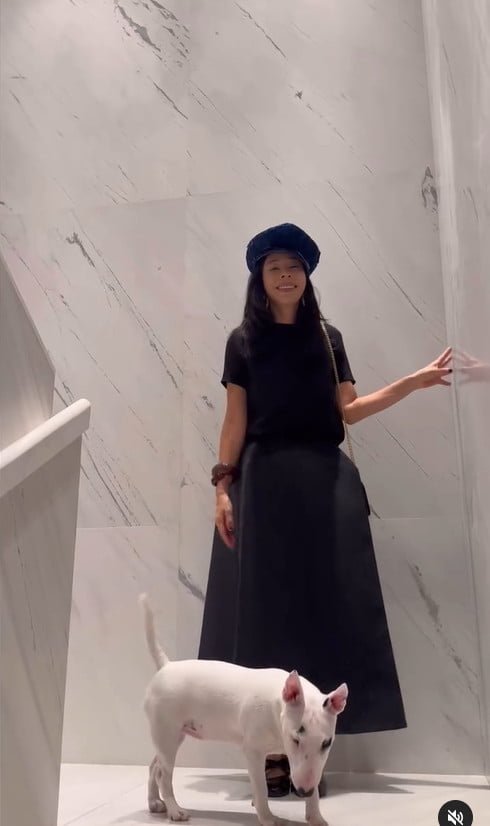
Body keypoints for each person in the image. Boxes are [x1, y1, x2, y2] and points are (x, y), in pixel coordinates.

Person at [198, 223, 452, 797]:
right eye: (275, 267)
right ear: (260, 279)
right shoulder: (243, 341)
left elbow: (350, 411)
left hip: (323, 478)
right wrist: (221, 487)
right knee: (263, 612)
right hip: (263, 484)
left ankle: (310, 750)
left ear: (307, 274)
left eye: (294, 266)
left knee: (324, 607)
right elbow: (235, 420)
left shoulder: (328, 338)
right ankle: (270, 751)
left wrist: (413, 382)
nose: (286, 275)